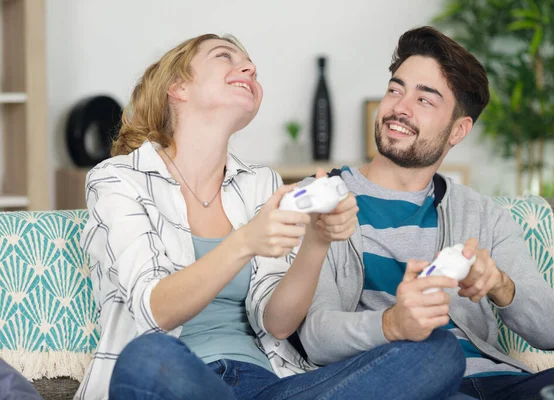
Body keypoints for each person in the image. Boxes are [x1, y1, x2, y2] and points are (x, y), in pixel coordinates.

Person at [75, 33, 469, 400]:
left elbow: (278, 324)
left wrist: (316, 241)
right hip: (175, 378)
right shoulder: (118, 179)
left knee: (439, 352)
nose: (249, 69)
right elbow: (154, 310)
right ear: (177, 88)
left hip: (266, 384)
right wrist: (245, 241)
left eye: (251, 66)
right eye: (224, 57)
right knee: (147, 357)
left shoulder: (260, 183)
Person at [298, 26, 554, 400]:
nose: (399, 107)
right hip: (409, 383)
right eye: (396, 89)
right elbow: (315, 335)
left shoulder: (482, 215)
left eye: (425, 100)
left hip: (499, 382)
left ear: (459, 130)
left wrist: (501, 286)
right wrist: (392, 323)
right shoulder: (325, 199)